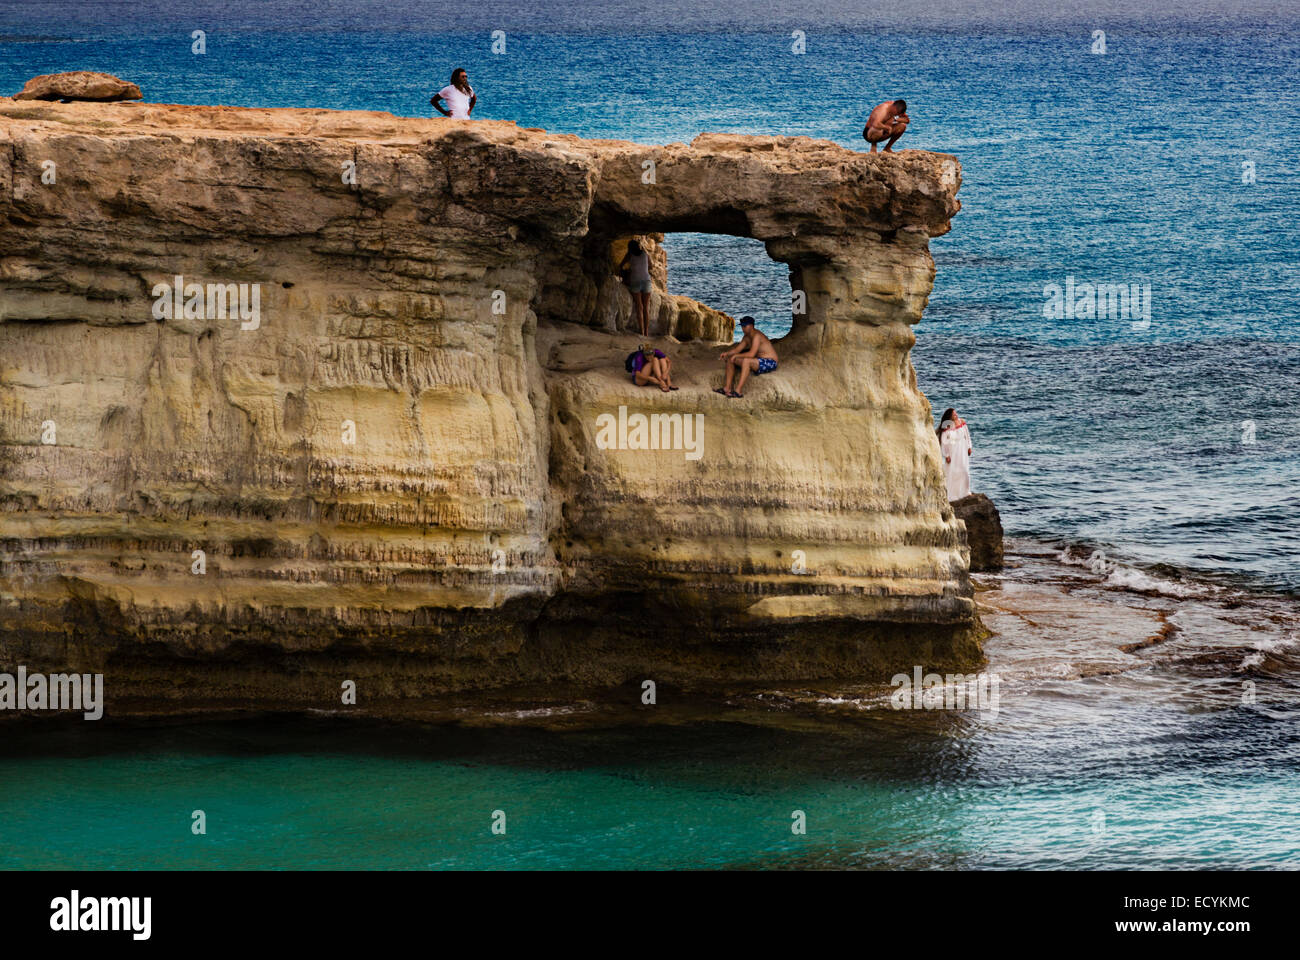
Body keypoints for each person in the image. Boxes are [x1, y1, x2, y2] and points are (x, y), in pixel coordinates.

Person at [715, 316, 778, 398]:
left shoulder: (757, 336)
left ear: (751, 326)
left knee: (746, 361)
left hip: (770, 362)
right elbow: (737, 350)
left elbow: (751, 354)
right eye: (742, 326)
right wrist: (727, 353)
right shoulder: (746, 337)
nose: (743, 328)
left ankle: (738, 391)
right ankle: (727, 388)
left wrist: (736, 355)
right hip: (758, 360)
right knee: (730, 359)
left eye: (745, 326)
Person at [619, 239, 653, 337]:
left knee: (639, 307)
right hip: (646, 281)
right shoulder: (645, 253)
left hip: (635, 282)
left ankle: (641, 332)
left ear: (630, 248)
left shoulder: (629, 255)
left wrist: (629, 270)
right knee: (646, 307)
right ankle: (646, 332)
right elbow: (651, 267)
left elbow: (621, 265)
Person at [937, 407, 972, 500]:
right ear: (950, 417)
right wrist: (946, 455)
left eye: (956, 413)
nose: (956, 415)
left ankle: (965, 491)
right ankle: (953, 494)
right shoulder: (947, 426)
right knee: (954, 472)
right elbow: (944, 442)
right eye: (953, 414)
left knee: (965, 471)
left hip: (963, 449)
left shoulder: (962, 422)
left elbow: (967, 435)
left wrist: (969, 447)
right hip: (953, 451)